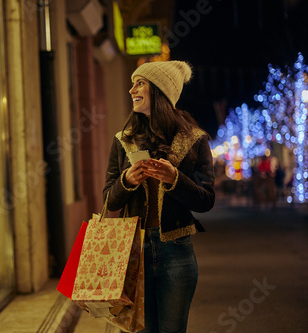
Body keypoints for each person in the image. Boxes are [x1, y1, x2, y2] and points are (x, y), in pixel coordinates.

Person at [103, 60, 215, 332]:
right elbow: (110, 200)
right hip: (133, 252)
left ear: (160, 91)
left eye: (140, 83)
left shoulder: (195, 140)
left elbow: (206, 200)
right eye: (133, 84)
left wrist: (175, 180)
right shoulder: (123, 140)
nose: (131, 90)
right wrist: (126, 180)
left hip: (176, 251)